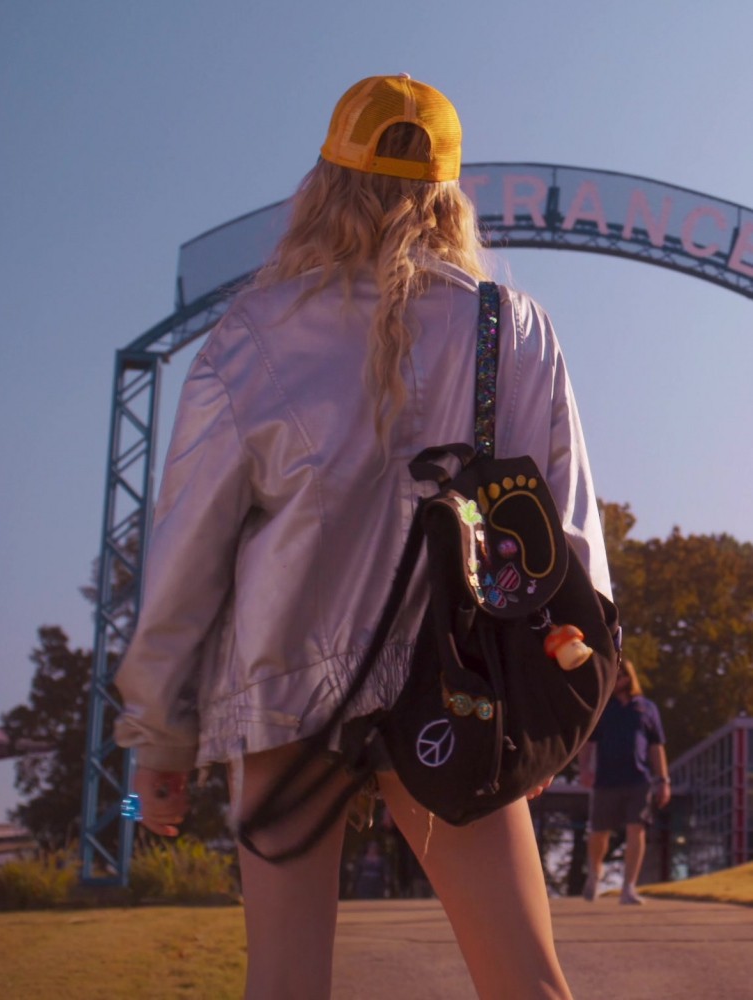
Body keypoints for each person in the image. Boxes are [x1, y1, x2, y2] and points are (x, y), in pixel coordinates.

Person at [114, 73, 611, 999]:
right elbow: (571, 544)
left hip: (282, 693)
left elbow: (185, 559)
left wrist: (159, 745)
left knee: (284, 984)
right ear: (450, 196)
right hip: (461, 688)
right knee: (527, 986)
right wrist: (545, 715)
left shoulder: (247, 337)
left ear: (324, 184)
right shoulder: (515, 329)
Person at [578, 658, 671, 905]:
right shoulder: (602, 708)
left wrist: (663, 780)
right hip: (606, 780)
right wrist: (584, 769)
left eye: (619, 676)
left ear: (628, 678)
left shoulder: (647, 708)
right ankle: (595, 873)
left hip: (639, 779)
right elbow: (588, 742)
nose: (616, 680)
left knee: (636, 829)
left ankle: (628, 887)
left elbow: (656, 747)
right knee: (598, 833)